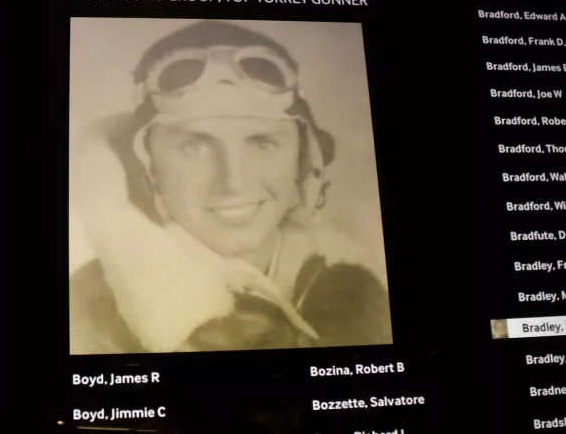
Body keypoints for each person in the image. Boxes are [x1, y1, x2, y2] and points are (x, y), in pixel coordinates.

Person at [70, 20, 391, 354]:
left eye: (262, 143)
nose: (233, 182)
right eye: (195, 147)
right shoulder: (91, 310)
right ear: (147, 167)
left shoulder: (356, 296)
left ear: (305, 159)